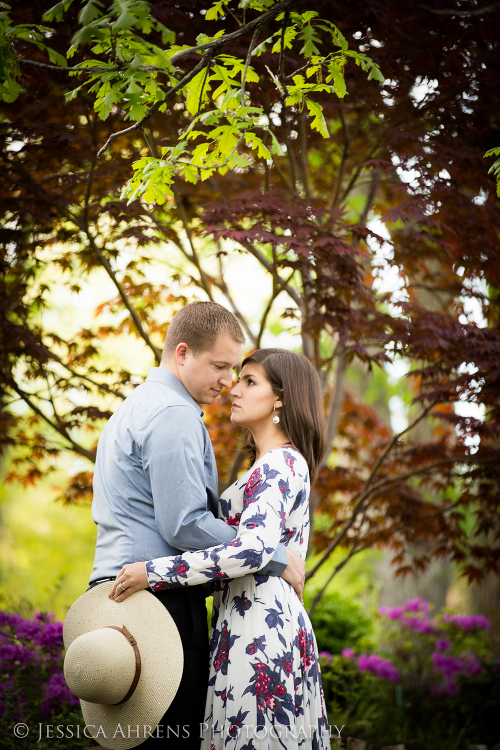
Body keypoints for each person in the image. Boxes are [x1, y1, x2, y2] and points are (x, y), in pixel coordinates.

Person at [89, 302, 306, 749]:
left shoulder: (134, 407)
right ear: (183, 353)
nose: (228, 383)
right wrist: (271, 553)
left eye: (239, 373)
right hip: (155, 602)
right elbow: (185, 526)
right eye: (222, 367)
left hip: (116, 592)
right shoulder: (173, 413)